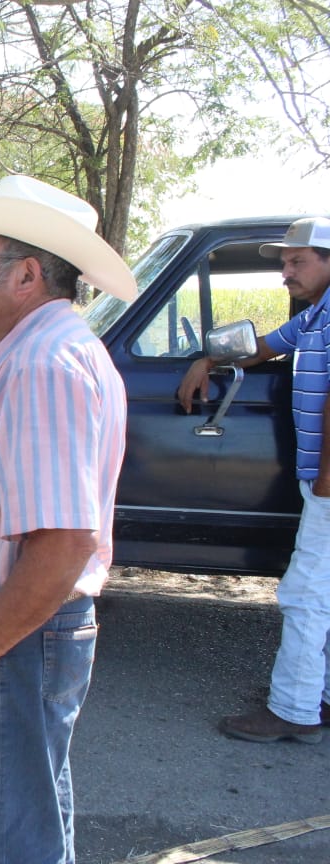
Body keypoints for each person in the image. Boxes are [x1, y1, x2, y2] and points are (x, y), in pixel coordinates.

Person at [0, 175, 135, 863]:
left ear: (27, 275)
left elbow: (63, 544)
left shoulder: (43, 365)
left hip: (11, 638)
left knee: (4, 843)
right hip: (14, 635)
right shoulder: (28, 355)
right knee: (25, 825)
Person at [177, 216, 330, 744]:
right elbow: (263, 346)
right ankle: (320, 694)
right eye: (284, 262)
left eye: (297, 261)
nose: (285, 273)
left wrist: (327, 483)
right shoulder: (316, 318)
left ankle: (293, 709)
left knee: (305, 595)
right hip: (321, 480)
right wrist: (207, 358)